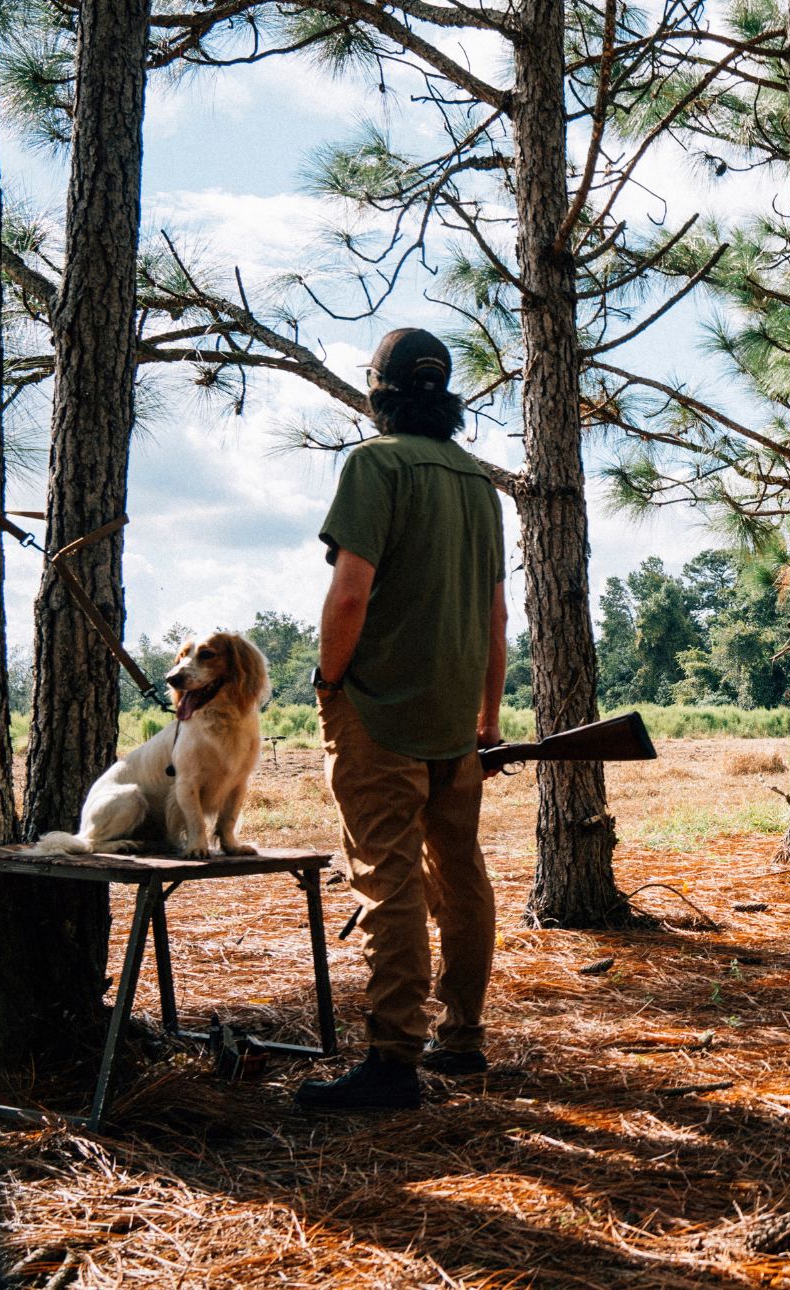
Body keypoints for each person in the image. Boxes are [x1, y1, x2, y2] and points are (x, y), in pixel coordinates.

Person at [296, 327, 507, 1111]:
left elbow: (350, 592)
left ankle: (391, 1063)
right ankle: (463, 1042)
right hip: (456, 720)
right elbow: (496, 617)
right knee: (461, 875)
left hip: (380, 712)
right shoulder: (476, 481)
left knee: (388, 884)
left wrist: (330, 682)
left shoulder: (373, 464)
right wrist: (486, 718)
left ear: (378, 390)